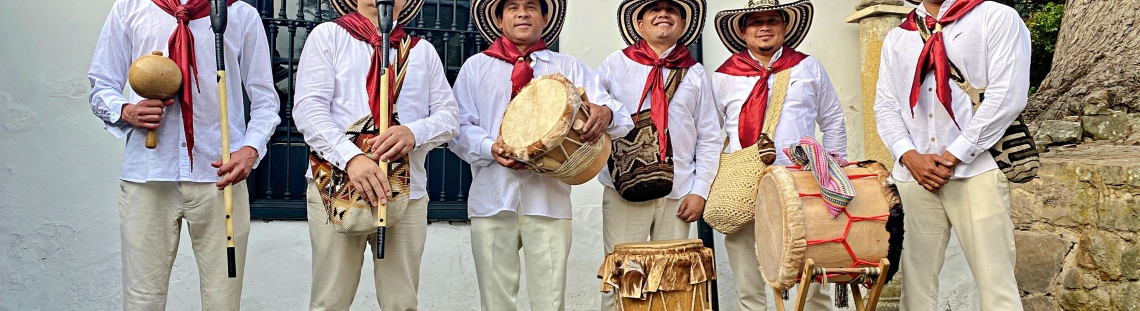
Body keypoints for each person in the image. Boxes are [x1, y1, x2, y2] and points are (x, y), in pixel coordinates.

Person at [87, 0, 281, 309]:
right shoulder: (130, 7)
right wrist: (127, 110)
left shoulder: (240, 13)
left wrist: (250, 149)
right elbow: (101, 85)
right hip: (148, 176)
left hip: (220, 178)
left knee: (223, 300)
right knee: (142, 301)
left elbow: (265, 99)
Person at [449, 0, 633, 309]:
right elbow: (458, 130)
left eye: (531, 6)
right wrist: (490, 148)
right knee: (496, 301)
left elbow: (621, 116)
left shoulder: (569, 67)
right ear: (499, 19)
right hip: (492, 199)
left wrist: (606, 114)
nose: (523, 13)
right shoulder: (475, 67)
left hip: (549, 200)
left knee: (550, 301)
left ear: (544, 18)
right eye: (513, 7)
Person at [292, 0, 459, 309]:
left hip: (407, 191)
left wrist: (413, 132)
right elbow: (308, 109)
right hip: (337, 186)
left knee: (402, 301)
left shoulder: (421, 51)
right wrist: (351, 158)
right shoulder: (328, 36)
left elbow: (449, 117)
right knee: (330, 301)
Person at [874, 0, 1030, 309]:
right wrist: (908, 155)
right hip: (915, 177)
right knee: (916, 289)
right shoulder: (898, 36)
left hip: (978, 170)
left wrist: (954, 154)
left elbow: (1008, 96)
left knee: (996, 285)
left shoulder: (996, 17)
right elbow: (886, 106)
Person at [710, 0, 844, 309]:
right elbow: (709, 131)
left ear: (784, 27)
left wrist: (834, 168)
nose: (764, 26)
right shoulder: (724, 76)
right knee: (747, 269)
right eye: (755, 22)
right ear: (743, 32)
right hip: (745, 183)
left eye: (772, 20)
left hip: (800, 178)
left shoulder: (807, 67)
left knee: (809, 265)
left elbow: (833, 119)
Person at [594, 0, 719, 309]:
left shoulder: (695, 73)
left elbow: (710, 137)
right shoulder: (614, 65)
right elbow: (595, 117)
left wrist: (700, 191)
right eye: (654, 9)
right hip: (624, 188)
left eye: (672, 10)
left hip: (679, 193)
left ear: (681, 24)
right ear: (639, 24)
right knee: (622, 277)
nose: (663, 14)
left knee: (672, 282)